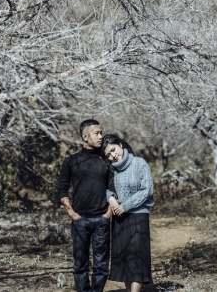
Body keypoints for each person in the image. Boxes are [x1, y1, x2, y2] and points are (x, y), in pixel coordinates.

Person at [57, 119, 114, 292]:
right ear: (85, 136)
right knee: (80, 263)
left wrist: (108, 213)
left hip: (102, 219)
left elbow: (113, 188)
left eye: (101, 133)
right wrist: (71, 212)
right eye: (97, 133)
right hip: (80, 220)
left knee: (101, 264)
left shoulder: (105, 161)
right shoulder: (72, 161)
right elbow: (62, 188)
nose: (100, 136)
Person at [102, 134, 154, 292]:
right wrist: (110, 198)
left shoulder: (139, 163)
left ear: (121, 145)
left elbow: (147, 190)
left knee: (136, 257)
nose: (113, 155)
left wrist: (126, 205)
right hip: (119, 219)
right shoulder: (111, 170)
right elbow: (103, 188)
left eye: (113, 150)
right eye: (108, 155)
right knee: (123, 257)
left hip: (138, 215)